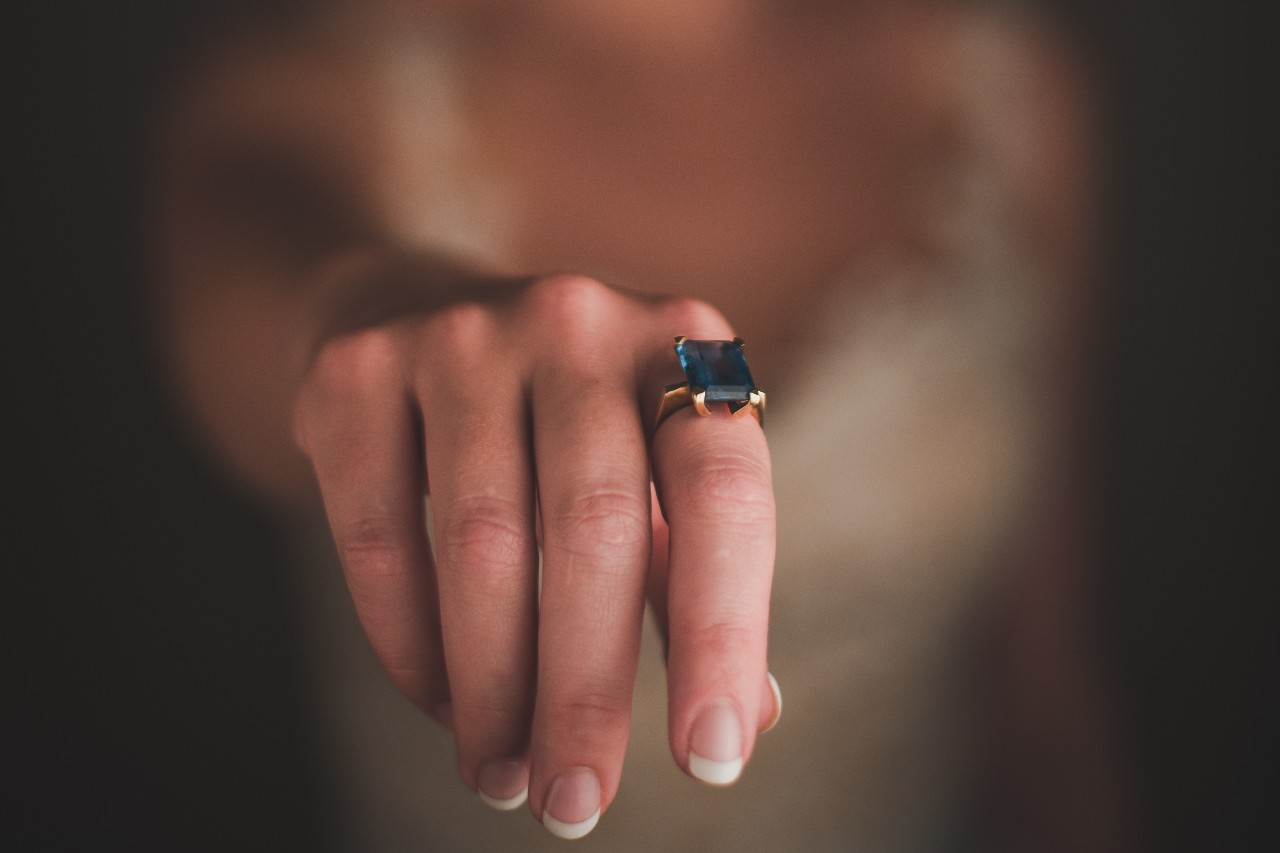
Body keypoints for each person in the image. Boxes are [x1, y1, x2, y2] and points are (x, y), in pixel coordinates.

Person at [26, 0, 1141, 849]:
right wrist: (366, 322)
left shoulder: (1005, 95)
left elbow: (1040, 692)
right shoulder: (299, 103)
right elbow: (269, 333)